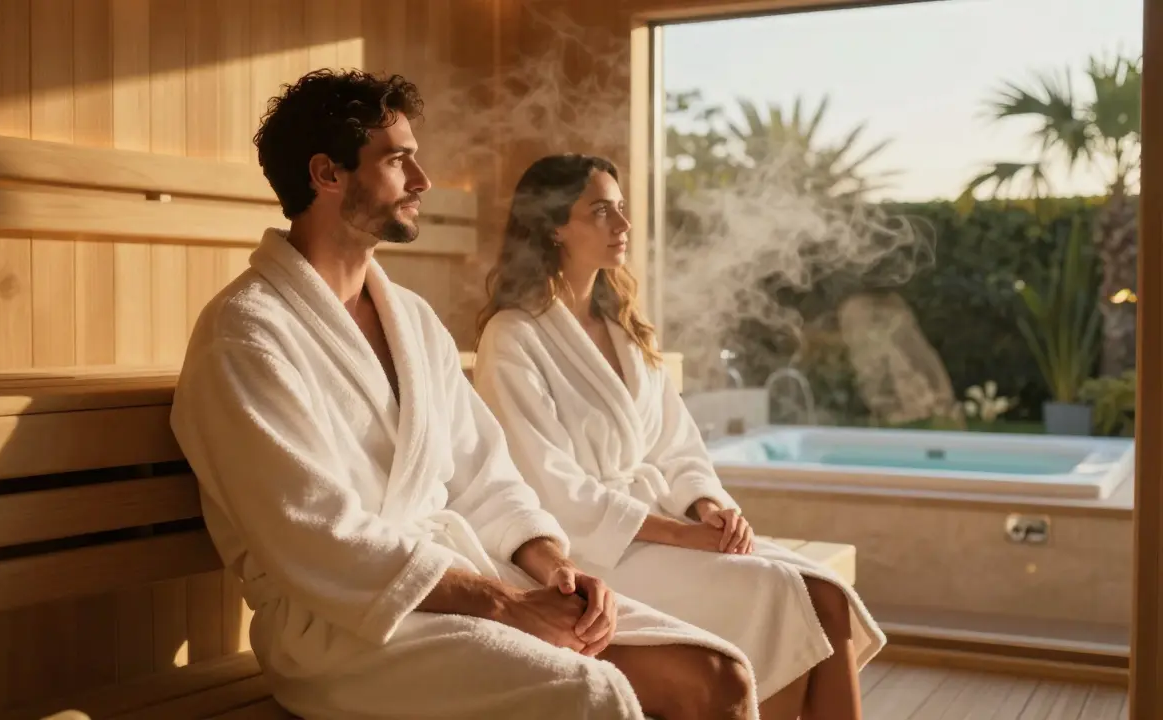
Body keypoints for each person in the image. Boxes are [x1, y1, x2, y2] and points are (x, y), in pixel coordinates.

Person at [170, 70, 762, 720]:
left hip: (467, 577)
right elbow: (317, 538)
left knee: (719, 676)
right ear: (327, 173)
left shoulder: (413, 321)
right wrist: (504, 603)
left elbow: (485, 475)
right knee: (593, 692)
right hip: (347, 627)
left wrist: (553, 568)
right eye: (398, 160)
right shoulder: (246, 335)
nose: (422, 180)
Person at [471, 153, 888, 720]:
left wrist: (709, 508)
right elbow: (549, 485)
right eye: (601, 211)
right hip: (596, 551)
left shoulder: (623, 329)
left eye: (621, 208)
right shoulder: (514, 337)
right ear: (553, 226)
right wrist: (683, 535)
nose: (623, 224)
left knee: (829, 597)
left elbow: (677, 445)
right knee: (785, 596)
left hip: (663, 530)